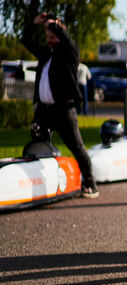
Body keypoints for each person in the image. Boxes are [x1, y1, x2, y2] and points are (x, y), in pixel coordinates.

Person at [21, 12, 98, 198]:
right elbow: (25, 40)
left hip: (64, 110)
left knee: (77, 146)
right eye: (48, 37)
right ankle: (40, 183)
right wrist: (35, 23)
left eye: (53, 37)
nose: (50, 40)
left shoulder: (69, 53)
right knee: (37, 143)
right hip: (44, 111)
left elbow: (68, 41)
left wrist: (54, 25)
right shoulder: (46, 54)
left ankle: (90, 183)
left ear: (60, 34)